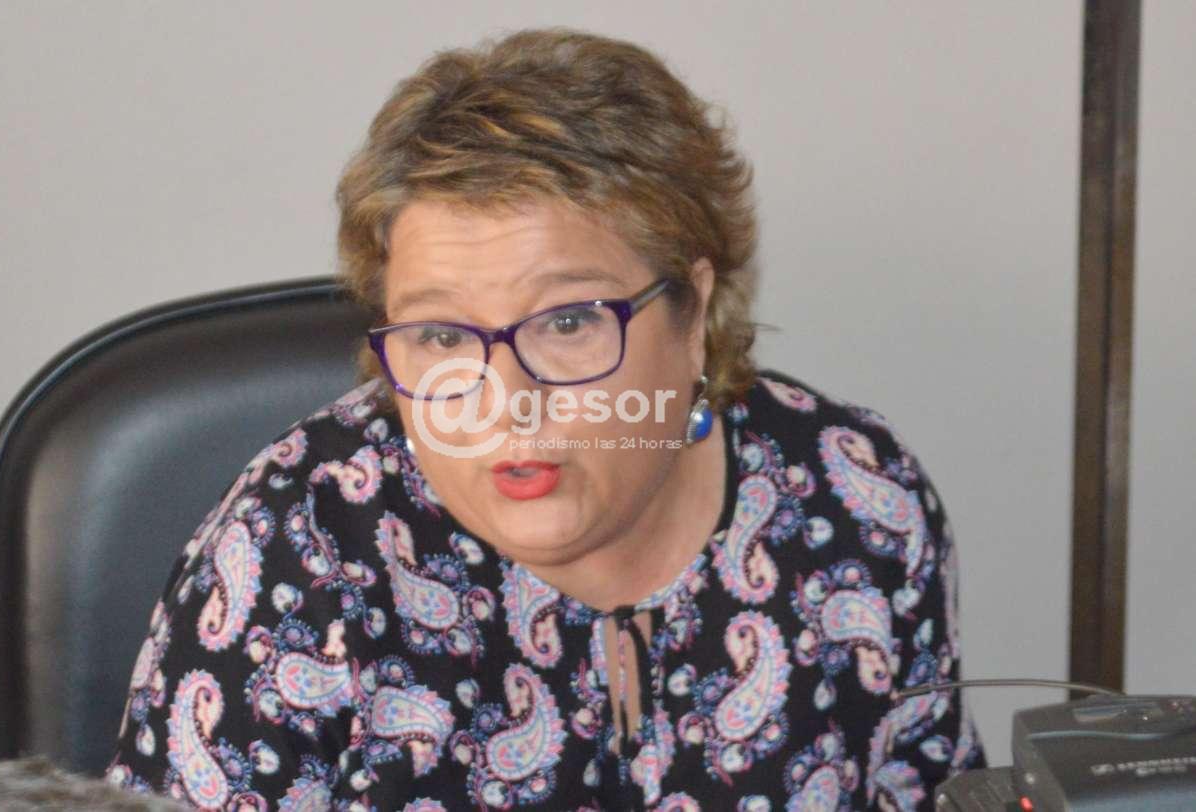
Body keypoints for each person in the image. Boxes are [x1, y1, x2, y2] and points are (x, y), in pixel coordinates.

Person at [105, 27, 984, 811]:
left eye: (567, 323)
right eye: (442, 334)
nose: (505, 402)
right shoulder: (297, 553)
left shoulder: (856, 501)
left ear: (692, 316)